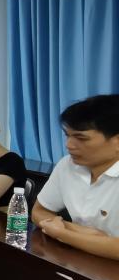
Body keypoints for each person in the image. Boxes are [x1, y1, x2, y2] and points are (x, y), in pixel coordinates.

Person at [32, 95, 119, 259]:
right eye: (68, 135)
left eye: (81, 138)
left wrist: (63, 233)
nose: (69, 145)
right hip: (78, 262)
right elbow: (40, 211)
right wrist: (81, 231)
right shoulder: (67, 165)